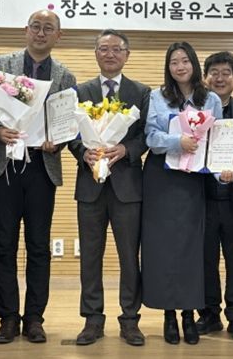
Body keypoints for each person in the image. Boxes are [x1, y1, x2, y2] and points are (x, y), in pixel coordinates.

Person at [0, 9, 76, 345]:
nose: (41, 33)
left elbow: (68, 121)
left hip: (41, 167)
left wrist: (57, 141)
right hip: (3, 165)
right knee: (4, 244)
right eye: (36, 26)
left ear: (58, 36)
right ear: (25, 30)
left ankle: (34, 318)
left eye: (48, 28)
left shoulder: (65, 75)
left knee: (38, 246)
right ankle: (7, 318)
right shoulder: (1, 65)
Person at [141, 41, 227, 346]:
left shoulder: (211, 99)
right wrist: (178, 142)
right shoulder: (157, 96)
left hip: (193, 181)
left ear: (194, 64)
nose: (180, 66)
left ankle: (189, 314)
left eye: (185, 61)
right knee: (162, 248)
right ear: (168, 67)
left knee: (192, 249)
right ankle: (168, 315)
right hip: (161, 179)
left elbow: (217, 143)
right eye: (174, 62)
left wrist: (224, 172)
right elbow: (151, 137)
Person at [69, 29, 151, 346]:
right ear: (96, 53)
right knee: (90, 256)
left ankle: (130, 319)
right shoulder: (80, 91)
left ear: (127, 55)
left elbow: (146, 135)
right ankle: (92, 319)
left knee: (129, 256)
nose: (110, 54)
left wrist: (127, 149)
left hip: (127, 186)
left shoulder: (141, 92)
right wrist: (82, 152)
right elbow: (69, 133)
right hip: (89, 185)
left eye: (117, 49)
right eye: (104, 48)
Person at [197, 51, 233, 340]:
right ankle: (209, 314)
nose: (220, 78)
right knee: (205, 260)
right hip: (203, 198)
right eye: (214, 73)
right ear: (205, 78)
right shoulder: (195, 113)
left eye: (226, 73)